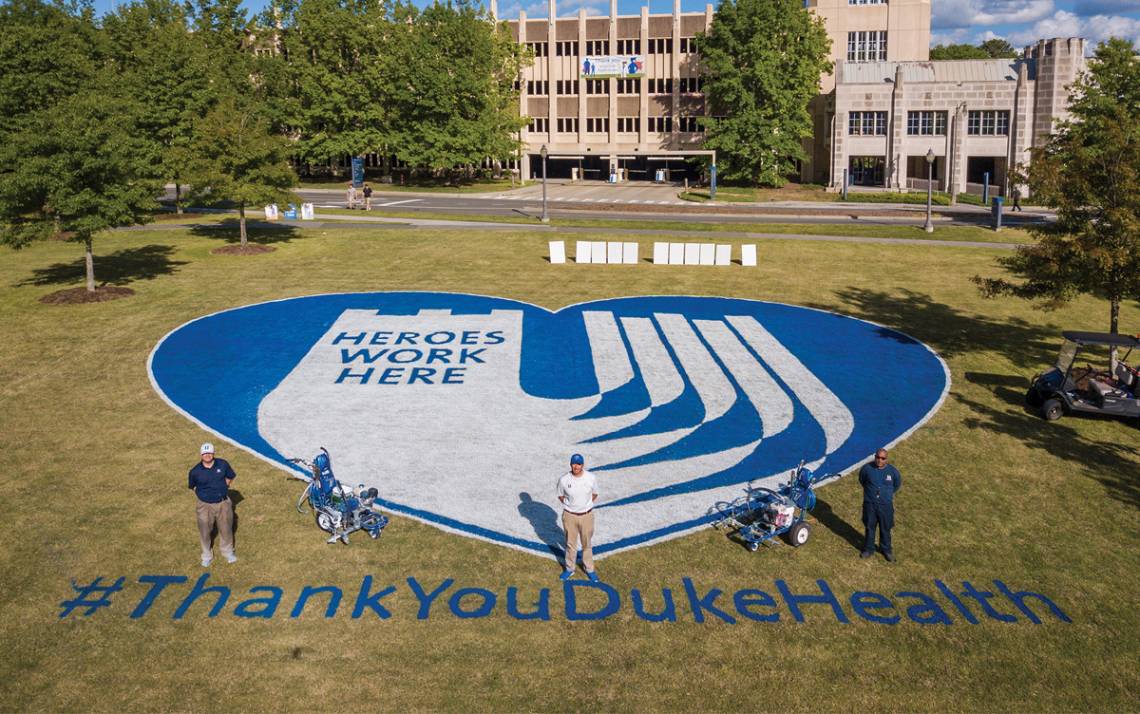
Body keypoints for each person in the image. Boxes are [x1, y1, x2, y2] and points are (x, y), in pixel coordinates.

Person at [188, 442, 237, 567]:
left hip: (223, 503)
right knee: (205, 530)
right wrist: (204, 496)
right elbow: (192, 487)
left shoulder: (223, 464)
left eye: (209, 453)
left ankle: (227, 552)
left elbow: (230, 476)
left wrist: (224, 486)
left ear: (213, 453)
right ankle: (206, 555)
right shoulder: (195, 471)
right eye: (205, 453)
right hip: (204, 505)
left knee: (226, 528)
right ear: (201, 455)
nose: (207, 455)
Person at [556, 453, 599, 581]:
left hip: (586, 516)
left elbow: (595, 493)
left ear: (582, 465)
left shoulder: (591, 477)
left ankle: (589, 569)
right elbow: (560, 495)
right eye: (574, 463)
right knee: (570, 544)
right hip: (569, 516)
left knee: (587, 543)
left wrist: (584, 506)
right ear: (571, 464)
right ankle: (570, 569)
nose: (576, 466)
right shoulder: (564, 480)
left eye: (579, 464)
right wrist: (571, 506)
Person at [859, 448, 901, 561]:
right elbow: (862, 480)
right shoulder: (866, 469)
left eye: (883, 458)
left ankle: (886, 550)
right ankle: (868, 549)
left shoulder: (893, 472)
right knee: (869, 527)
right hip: (870, 505)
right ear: (875, 456)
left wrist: (885, 495)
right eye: (878, 457)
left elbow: (896, 485)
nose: (879, 460)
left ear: (886, 459)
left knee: (885, 528)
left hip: (885, 506)